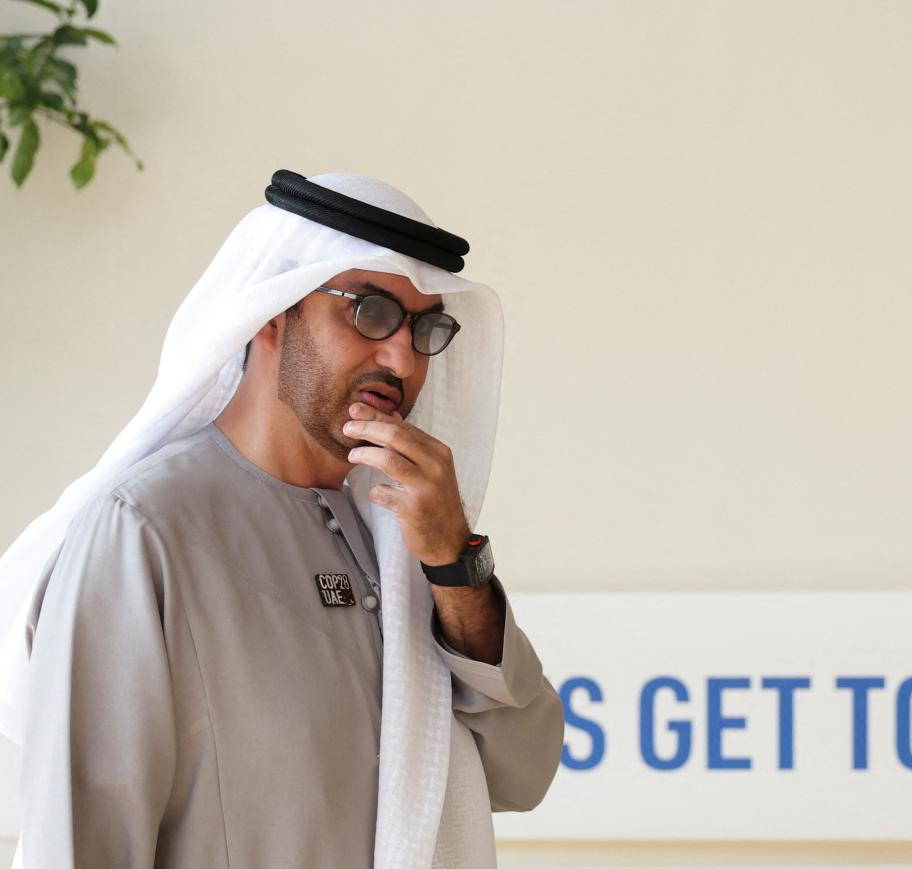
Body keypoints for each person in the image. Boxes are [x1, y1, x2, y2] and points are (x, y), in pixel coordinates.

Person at [0, 171, 564, 868]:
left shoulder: (399, 538)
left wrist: (455, 562)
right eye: (370, 312)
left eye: (424, 329)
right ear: (273, 309)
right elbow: (83, 845)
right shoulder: (146, 532)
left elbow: (524, 770)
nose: (402, 357)